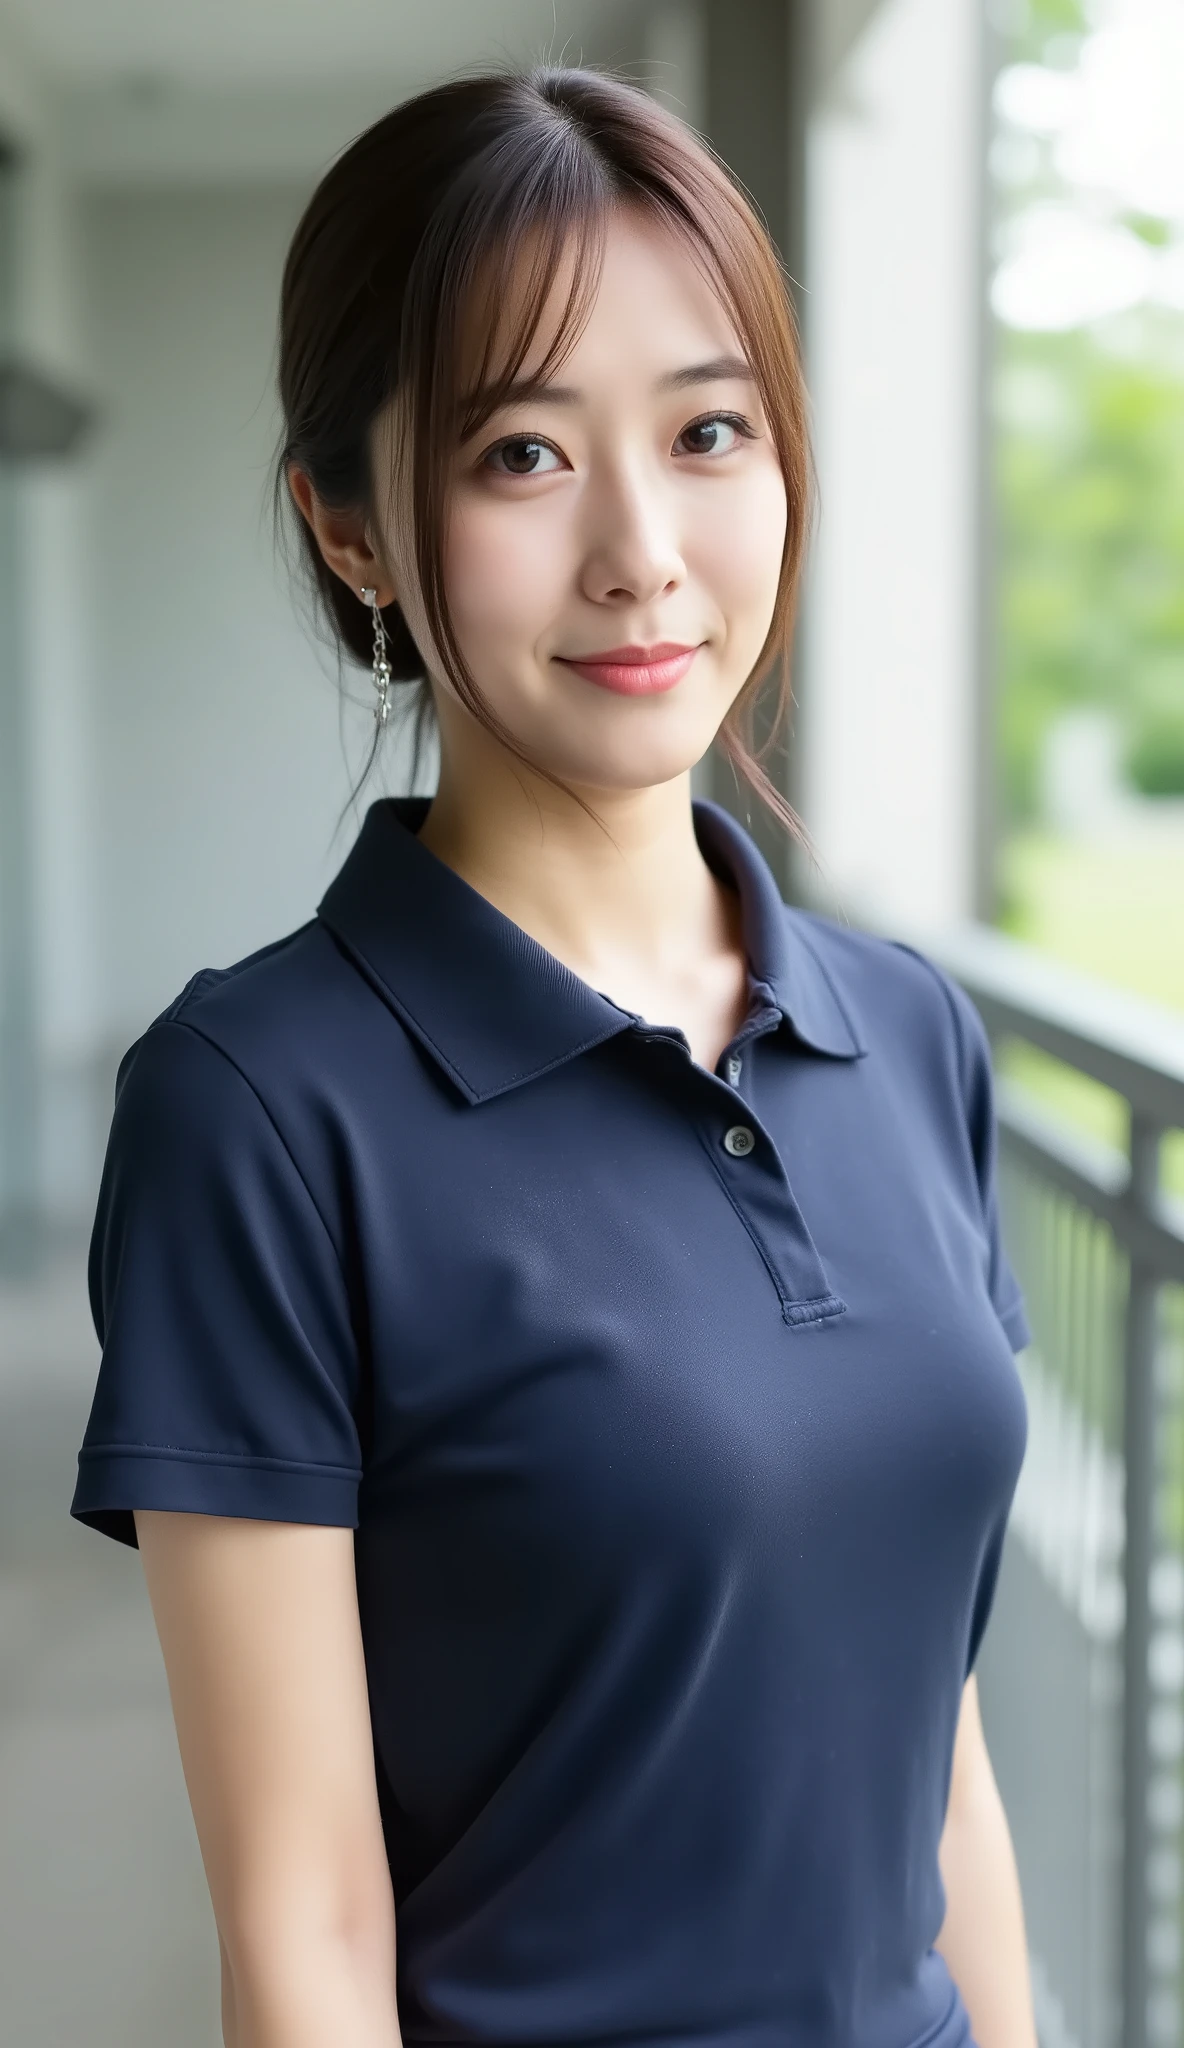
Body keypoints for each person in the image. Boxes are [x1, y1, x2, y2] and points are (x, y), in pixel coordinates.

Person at [71, 64, 1039, 2048]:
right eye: (521, 454)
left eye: (707, 431)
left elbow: (926, 1743)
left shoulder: (908, 1033)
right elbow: (305, 1931)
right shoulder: (257, 1108)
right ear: (348, 526)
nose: (641, 551)